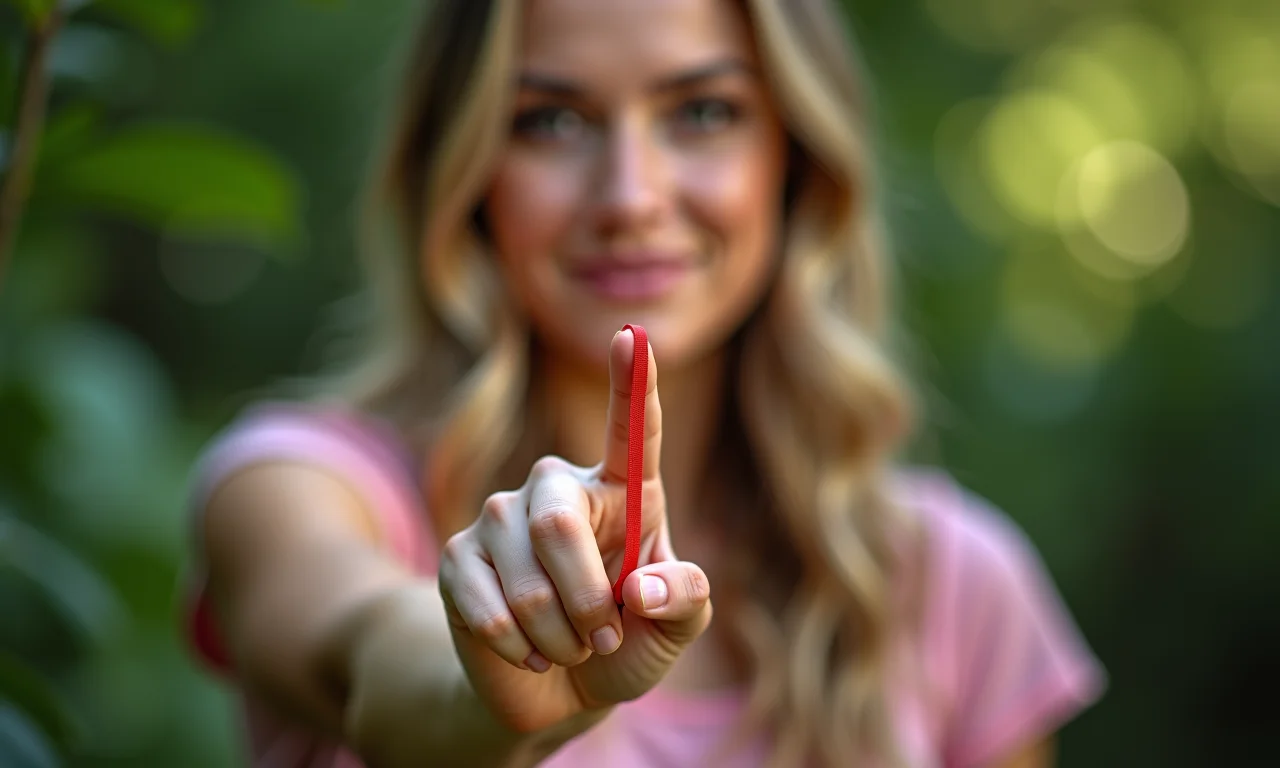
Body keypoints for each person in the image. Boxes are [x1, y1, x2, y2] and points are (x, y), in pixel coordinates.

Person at [181, 0, 1107, 765]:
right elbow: (370, 656)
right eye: (549, 120)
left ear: (795, 159)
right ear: (458, 168)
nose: (629, 195)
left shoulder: (951, 583)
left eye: (702, 112)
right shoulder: (299, 489)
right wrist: (488, 691)